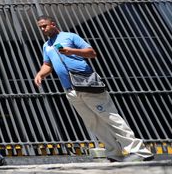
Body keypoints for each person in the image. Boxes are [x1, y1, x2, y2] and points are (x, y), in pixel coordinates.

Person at [33, 15, 154, 163]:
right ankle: (114, 154)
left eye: (45, 25)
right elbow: (48, 65)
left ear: (53, 23)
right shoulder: (46, 46)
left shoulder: (70, 37)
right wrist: (40, 74)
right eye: (40, 27)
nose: (43, 29)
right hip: (70, 90)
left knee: (110, 117)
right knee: (93, 122)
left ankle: (140, 151)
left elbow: (92, 53)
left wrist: (71, 51)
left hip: (87, 83)